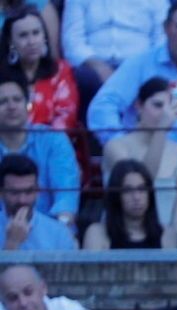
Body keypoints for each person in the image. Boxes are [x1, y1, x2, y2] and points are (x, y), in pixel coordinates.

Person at [88, 1, 177, 177]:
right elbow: (102, 107)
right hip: (138, 161)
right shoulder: (140, 64)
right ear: (167, 28)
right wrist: (121, 147)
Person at [99, 76, 177, 233]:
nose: (165, 113)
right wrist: (161, 130)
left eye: (170, 106)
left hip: (163, 242)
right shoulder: (115, 147)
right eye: (158, 105)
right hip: (119, 237)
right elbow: (143, 181)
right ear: (139, 106)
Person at [0, 71, 76, 226]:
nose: (11, 107)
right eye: (3, 102)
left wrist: (58, 233)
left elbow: (66, 195)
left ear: (28, 103)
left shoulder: (54, 140)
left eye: (17, 99)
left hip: (51, 234)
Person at [61, 0, 166, 108]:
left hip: (141, 64)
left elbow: (162, 40)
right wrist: (99, 67)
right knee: (85, 79)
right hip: (93, 66)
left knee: (155, 78)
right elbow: (72, 40)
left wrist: (140, 68)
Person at [2, 4, 77, 131]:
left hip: (53, 145)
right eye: (23, 35)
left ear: (44, 37)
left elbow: (66, 118)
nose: (31, 41)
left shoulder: (61, 70)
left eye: (36, 33)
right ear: (11, 42)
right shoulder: (2, 75)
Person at [82, 158, 167, 248]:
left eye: (142, 189)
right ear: (116, 196)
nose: (136, 197)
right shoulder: (97, 234)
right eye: (128, 190)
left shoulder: (166, 235)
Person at [0, 151, 71, 248]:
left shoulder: (59, 233)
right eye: (14, 192)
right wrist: (12, 243)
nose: (22, 200)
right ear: (1, 193)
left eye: (29, 192)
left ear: (38, 190)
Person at [0, 263, 95, 310]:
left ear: (43, 289)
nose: (23, 303)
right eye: (13, 298)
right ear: (4, 303)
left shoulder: (62, 306)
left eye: (28, 292)